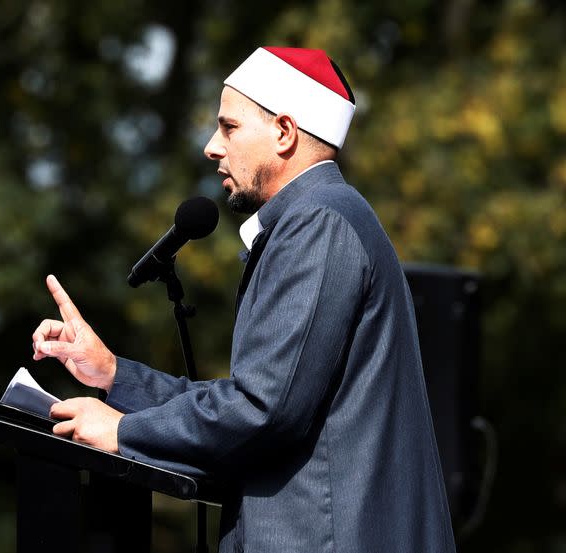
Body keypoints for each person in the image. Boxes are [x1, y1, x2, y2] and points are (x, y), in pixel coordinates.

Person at [32, 47, 456, 552]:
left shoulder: (317, 224)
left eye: (229, 127)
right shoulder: (323, 218)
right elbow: (260, 399)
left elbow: (263, 410)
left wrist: (124, 431)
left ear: (284, 132)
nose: (212, 147)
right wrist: (114, 376)